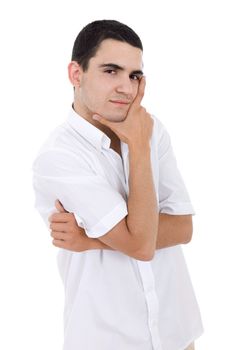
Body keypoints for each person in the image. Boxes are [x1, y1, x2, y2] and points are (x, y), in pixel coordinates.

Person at [32, 19, 203, 350]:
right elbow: (141, 245)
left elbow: (183, 229)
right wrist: (138, 146)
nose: (126, 87)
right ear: (75, 74)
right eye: (111, 71)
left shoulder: (154, 129)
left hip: (176, 334)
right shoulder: (58, 157)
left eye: (134, 75)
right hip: (107, 339)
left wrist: (91, 239)